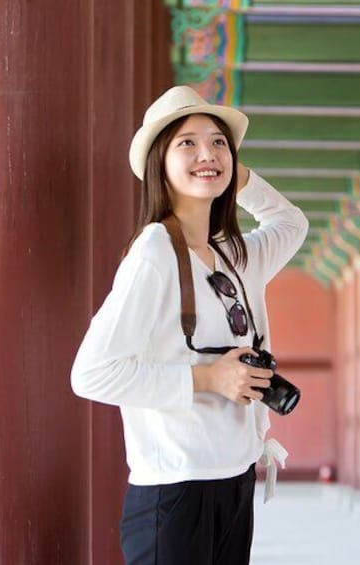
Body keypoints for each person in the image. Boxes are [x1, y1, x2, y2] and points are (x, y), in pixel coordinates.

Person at [71, 85, 309, 564]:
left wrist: (236, 177)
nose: (208, 153)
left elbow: (291, 224)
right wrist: (209, 378)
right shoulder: (155, 251)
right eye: (187, 143)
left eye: (219, 142)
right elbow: (90, 373)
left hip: (236, 478)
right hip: (175, 492)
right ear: (159, 162)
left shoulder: (234, 254)